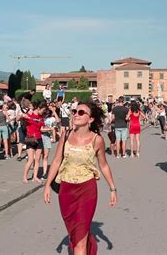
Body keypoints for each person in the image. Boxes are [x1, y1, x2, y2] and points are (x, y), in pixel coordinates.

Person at [44, 101, 117, 255]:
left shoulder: (97, 140)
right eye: (75, 111)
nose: (76, 114)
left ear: (90, 119)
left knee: (80, 240)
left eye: (81, 112)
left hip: (87, 190)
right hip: (66, 190)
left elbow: (103, 165)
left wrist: (112, 189)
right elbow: (56, 161)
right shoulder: (66, 134)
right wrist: (47, 185)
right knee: (73, 233)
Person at [21, 101, 47, 183]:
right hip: (31, 138)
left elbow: (41, 128)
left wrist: (50, 128)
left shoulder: (41, 117)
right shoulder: (30, 114)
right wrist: (22, 115)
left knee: (38, 159)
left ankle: (35, 177)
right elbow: (19, 118)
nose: (44, 112)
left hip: (39, 138)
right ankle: (25, 177)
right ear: (38, 108)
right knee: (31, 159)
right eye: (43, 110)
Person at [41, 107, 60, 179]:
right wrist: (50, 129)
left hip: (47, 138)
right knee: (38, 156)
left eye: (48, 113)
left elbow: (58, 120)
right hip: (40, 137)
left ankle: (44, 173)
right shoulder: (41, 118)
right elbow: (41, 129)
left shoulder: (51, 118)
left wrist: (54, 111)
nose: (46, 114)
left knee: (45, 156)